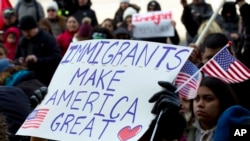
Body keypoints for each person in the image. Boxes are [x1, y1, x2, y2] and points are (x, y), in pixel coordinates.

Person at [139, 76, 239, 141]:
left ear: (223, 101)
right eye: (196, 99)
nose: (200, 104)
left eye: (208, 99)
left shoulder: (238, 127)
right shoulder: (182, 128)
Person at [14, 15, 62, 86]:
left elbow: (57, 58)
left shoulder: (47, 38)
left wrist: (38, 60)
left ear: (35, 28)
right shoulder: (22, 41)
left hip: (45, 78)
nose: (26, 33)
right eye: (24, 31)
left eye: (28, 30)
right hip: (28, 79)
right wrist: (19, 61)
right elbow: (15, 58)